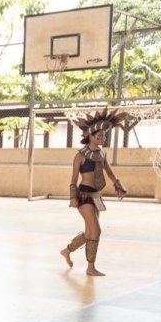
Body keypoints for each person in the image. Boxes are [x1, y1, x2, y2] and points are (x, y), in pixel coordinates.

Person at [61, 108, 128, 276]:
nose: (102, 138)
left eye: (104, 136)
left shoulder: (102, 153)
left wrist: (118, 184)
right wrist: (73, 198)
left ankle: (67, 250)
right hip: (83, 196)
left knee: (90, 232)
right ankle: (90, 268)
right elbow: (73, 179)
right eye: (99, 136)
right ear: (90, 136)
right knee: (96, 230)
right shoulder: (80, 156)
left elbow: (110, 173)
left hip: (97, 196)